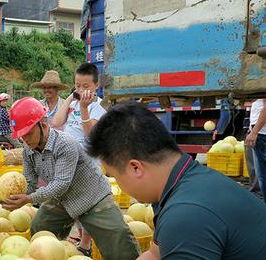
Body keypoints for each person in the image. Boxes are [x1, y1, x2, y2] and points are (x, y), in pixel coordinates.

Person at [89, 101, 266, 259]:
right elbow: (154, 254)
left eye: (114, 176)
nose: (118, 185)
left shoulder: (185, 215)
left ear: (136, 168)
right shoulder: (184, 177)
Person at [1, 97, 140, 259]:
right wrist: (16, 198)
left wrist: (29, 198)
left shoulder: (65, 143)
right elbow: (30, 182)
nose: (24, 139)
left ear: (43, 125)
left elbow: (61, 184)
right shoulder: (28, 150)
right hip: (63, 199)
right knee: (40, 227)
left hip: (92, 197)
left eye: (28, 133)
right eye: (22, 136)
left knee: (119, 241)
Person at [51, 62, 106, 251]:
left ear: (96, 86)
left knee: (88, 205)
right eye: (77, 85)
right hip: (69, 162)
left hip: (88, 163)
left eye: (86, 86)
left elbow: (91, 135)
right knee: (75, 203)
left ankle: (85, 245)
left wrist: (84, 108)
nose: (81, 90)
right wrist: (70, 99)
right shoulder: (73, 103)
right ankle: (83, 239)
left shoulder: (98, 107)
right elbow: (56, 122)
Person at [247, 99, 266, 203]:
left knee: (263, 176)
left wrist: (254, 132)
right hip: (261, 132)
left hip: (262, 134)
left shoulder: (261, 84)